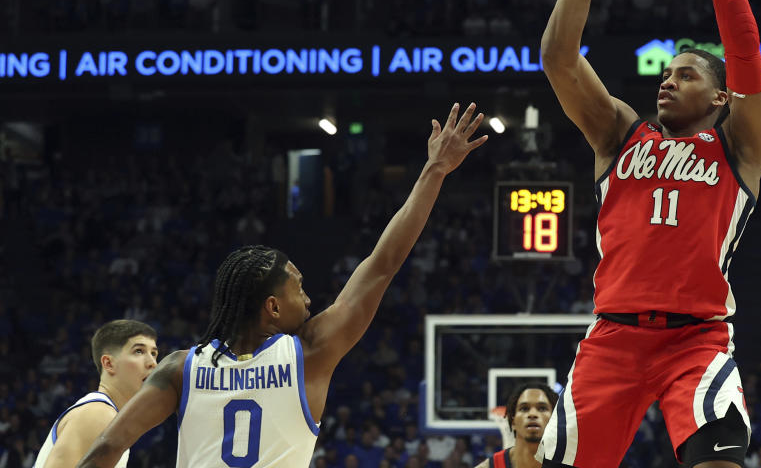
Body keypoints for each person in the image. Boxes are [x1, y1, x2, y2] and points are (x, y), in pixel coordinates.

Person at [77, 103, 487, 468]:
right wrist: (435, 170)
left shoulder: (180, 368)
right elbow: (383, 264)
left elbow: (105, 450)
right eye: (299, 287)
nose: (309, 301)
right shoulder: (309, 352)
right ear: (272, 307)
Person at [537, 0, 761, 468]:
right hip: (612, 337)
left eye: (686, 75)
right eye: (665, 74)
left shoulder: (739, 146)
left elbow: (744, 54)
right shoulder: (620, 133)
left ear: (720, 98)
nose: (667, 83)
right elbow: (558, 58)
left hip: (696, 338)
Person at [33, 320, 159, 468]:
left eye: (154, 354)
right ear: (108, 364)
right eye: (139, 351)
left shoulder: (108, 415)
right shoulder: (98, 414)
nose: (153, 363)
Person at [475, 383, 559, 468]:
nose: (532, 414)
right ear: (513, 421)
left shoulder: (569, 461)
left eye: (542, 408)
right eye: (524, 408)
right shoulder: (491, 465)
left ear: (554, 420)